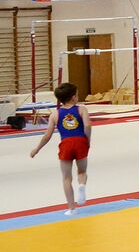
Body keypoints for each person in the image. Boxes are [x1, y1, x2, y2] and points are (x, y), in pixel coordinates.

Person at [28, 82, 92, 215]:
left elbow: (47, 135)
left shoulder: (55, 115)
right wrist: (87, 140)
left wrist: (37, 149)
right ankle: (82, 185)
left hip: (65, 144)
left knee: (66, 178)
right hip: (80, 141)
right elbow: (87, 126)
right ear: (74, 97)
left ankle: (72, 208)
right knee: (82, 171)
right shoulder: (82, 109)